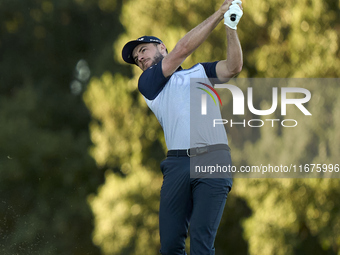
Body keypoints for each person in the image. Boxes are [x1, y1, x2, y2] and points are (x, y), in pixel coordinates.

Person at [122, 0, 243, 254]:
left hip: (214, 158)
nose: (140, 58)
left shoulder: (201, 72)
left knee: (201, 243)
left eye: (143, 50)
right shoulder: (149, 84)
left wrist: (230, 26)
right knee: (170, 247)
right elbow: (182, 49)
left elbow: (233, 67)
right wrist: (218, 14)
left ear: (160, 47)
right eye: (136, 58)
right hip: (177, 165)